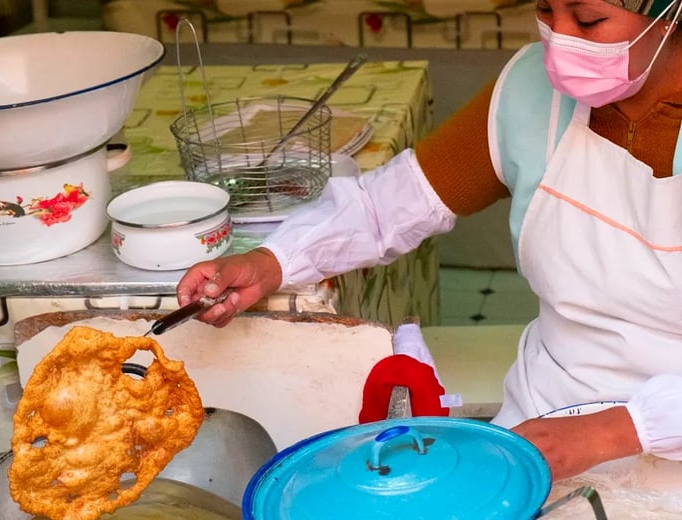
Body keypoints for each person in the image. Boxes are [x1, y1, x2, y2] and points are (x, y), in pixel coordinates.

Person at [177, 0, 682, 482]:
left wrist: (619, 430)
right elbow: (392, 205)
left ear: (668, 14)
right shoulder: (531, 91)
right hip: (544, 415)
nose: (560, 40)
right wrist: (274, 261)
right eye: (547, 11)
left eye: (590, 20)